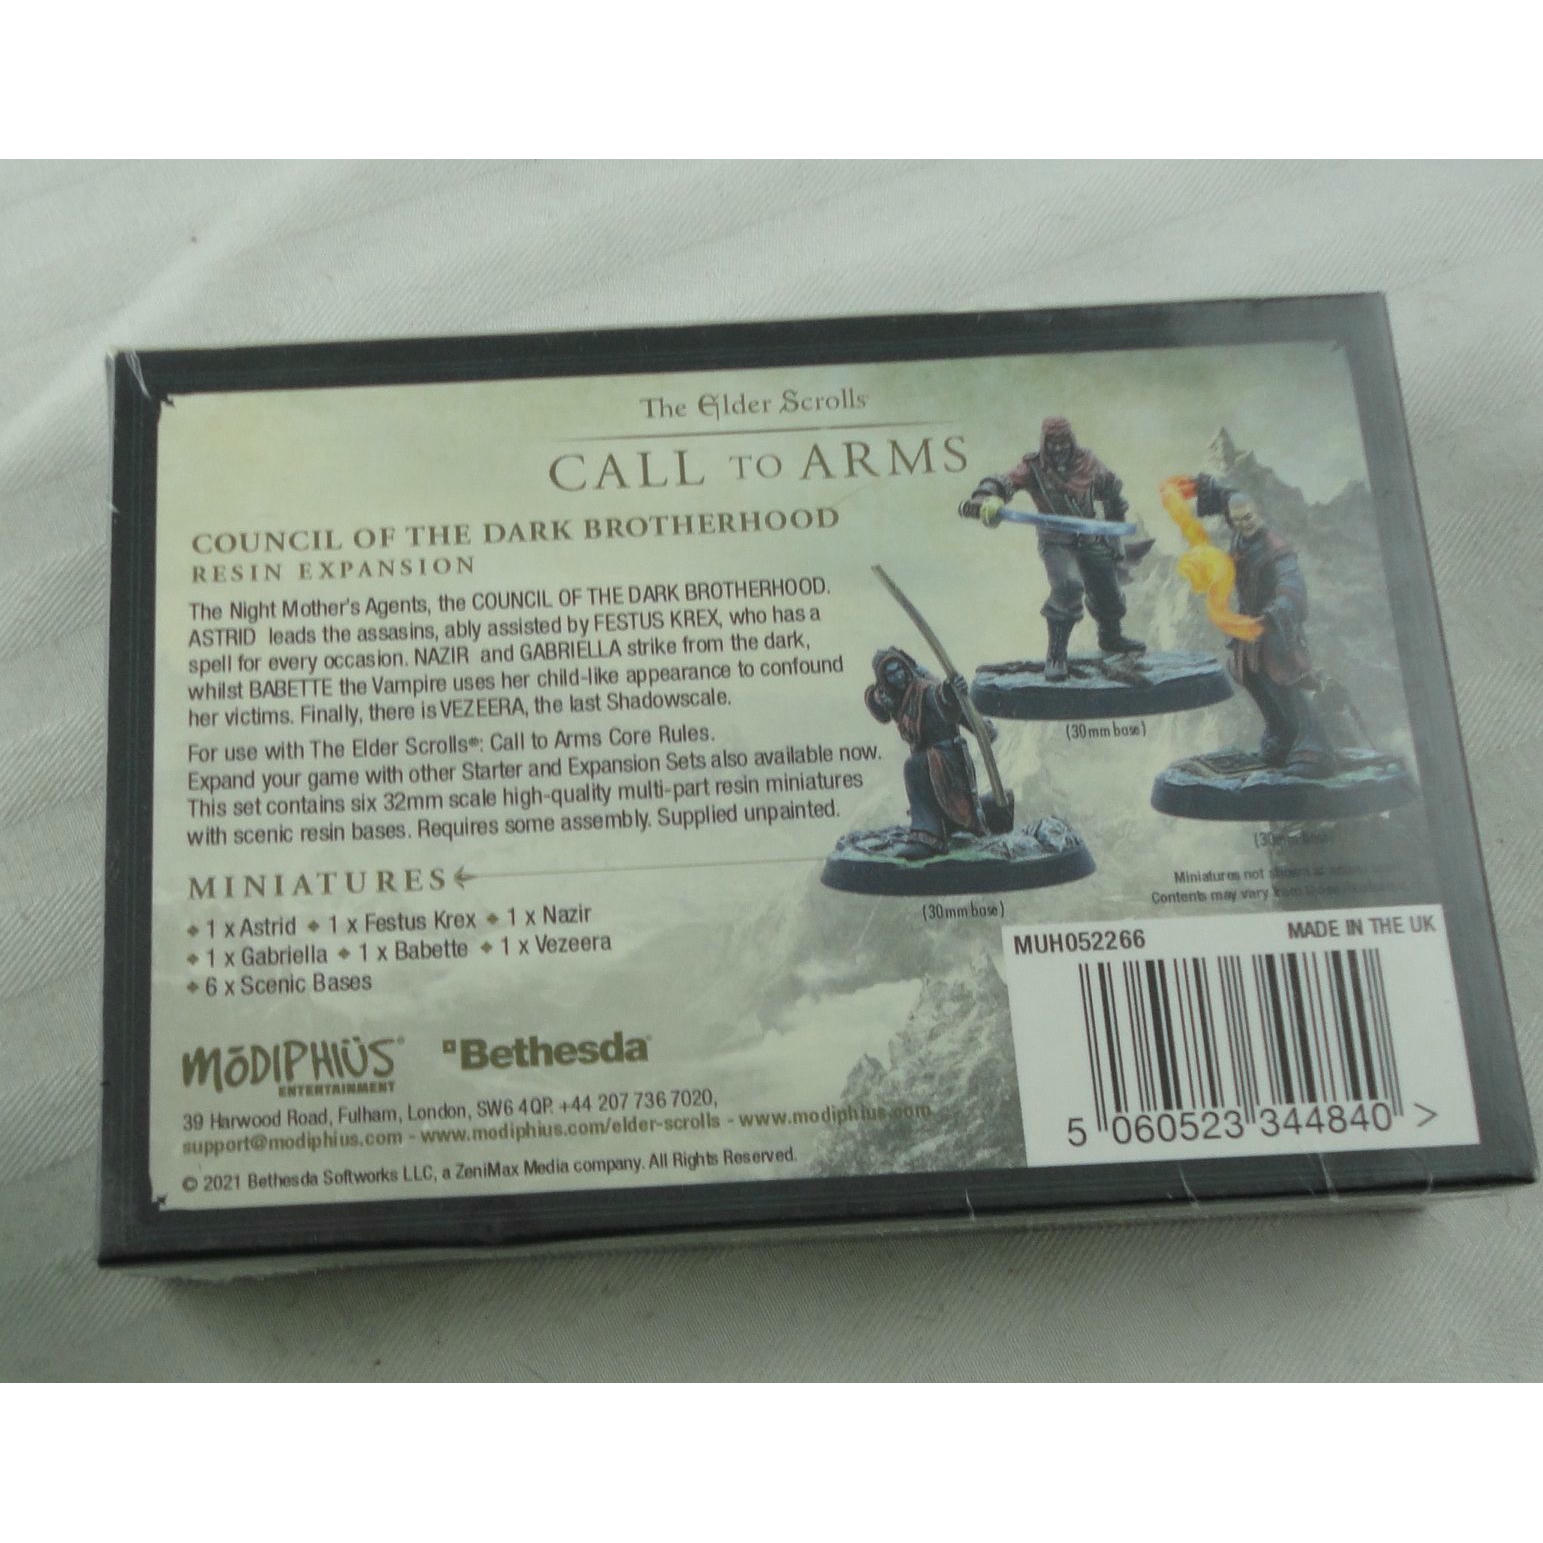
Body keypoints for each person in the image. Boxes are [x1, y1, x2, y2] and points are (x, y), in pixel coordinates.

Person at [959, 415, 1144, 680]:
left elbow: (1111, 492)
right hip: (1056, 541)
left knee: (1108, 587)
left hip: (1090, 536)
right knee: (1067, 586)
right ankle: (1056, 654)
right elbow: (1004, 481)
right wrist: (984, 498)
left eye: (1063, 442)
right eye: (1053, 443)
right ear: (1045, 444)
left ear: (1072, 441)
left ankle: (1111, 637)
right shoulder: (1034, 467)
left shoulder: (1088, 462)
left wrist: (1114, 533)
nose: (1058, 449)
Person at [1197, 475, 1334, 778]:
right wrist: (1200, 487)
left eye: (1249, 518)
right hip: (1250, 628)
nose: (1244, 524)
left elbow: (1291, 584)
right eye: (1238, 520)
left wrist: (1274, 614)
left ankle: (1315, 749)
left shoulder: (1276, 548)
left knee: (1285, 678)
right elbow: (1227, 496)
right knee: (1249, 673)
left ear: (1258, 513)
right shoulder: (1239, 535)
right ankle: (1282, 734)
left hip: (1276, 629)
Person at [864, 647, 987, 858]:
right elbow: (879, 707)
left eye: (899, 669)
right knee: (917, 766)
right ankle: (937, 829)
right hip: (927, 758)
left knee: (914, 767)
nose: (898, 676)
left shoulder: (922, 689)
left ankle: (928, 838)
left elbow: (941, 698)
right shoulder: (895, 697)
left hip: (946, 757)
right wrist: (879, 696)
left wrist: (951, 690)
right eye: (890, 674)